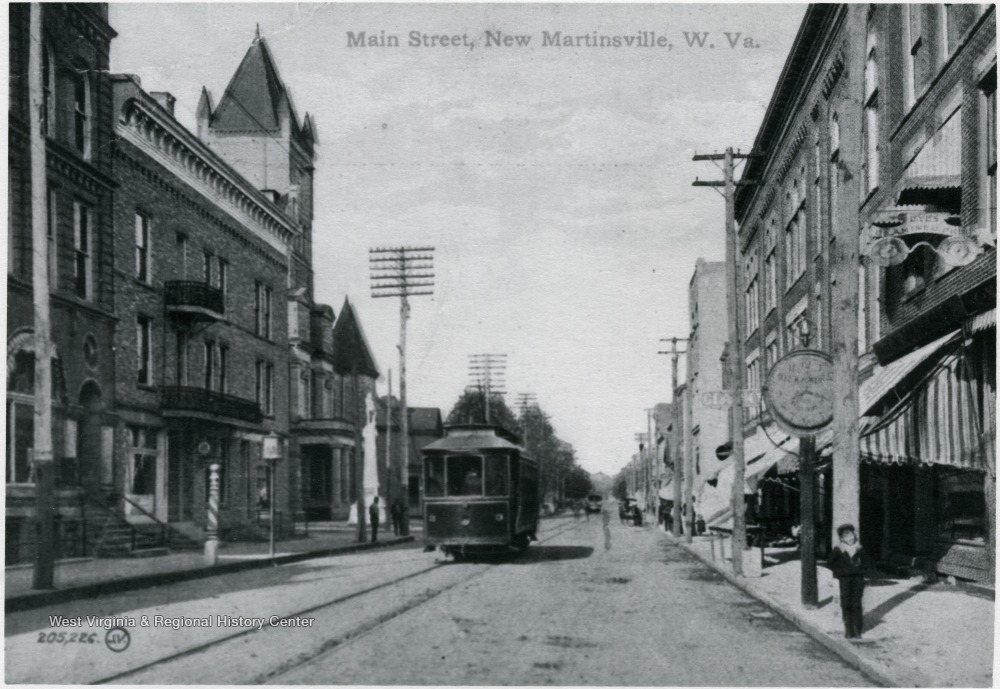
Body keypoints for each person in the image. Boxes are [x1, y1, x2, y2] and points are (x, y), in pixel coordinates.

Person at [828, 523, 868, 639]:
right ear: (841, 538)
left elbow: (868, 563)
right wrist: (840, 573)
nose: (850, 538)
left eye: (852, 535)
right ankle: (848, 629)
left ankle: (857, 630)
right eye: (846, 536)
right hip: (844, 580)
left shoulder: (859, 549)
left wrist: (862, 571)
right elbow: (830, 563)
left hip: (857, 579)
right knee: (846, 603)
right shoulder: (838, 549)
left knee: (857, 603)